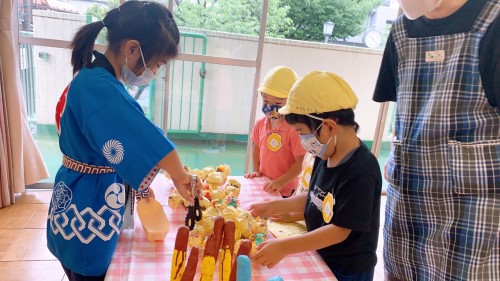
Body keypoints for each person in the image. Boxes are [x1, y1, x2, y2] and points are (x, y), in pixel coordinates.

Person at [47, 2, 200, 280]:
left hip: (83, 191)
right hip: (87, 202)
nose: (154, 71)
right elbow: (141, 134)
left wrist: (135, 185)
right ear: (132, 49)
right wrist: (180, 175)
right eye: (157, 64)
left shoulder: (95, 78)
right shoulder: (98, 85)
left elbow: (111, 145)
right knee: (87, 270)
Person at [373, 0, 500, 280]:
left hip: (473, 215)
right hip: (406, 208)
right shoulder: (400, 33)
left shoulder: (493, 24)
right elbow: (404, 116)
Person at [250, 71, 382, 281]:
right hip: (321, 252)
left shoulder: (361, 170)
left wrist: (285, 246)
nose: (303, 141)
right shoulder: (326, 151)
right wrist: (272, 206)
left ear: (329, 126)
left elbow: (340, 229)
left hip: (348, 268)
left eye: (302, 132)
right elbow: (315, 197)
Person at [244, 66, 306, 197]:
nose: (270, 107)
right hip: (264, 185)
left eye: (278, 103)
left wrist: (280, 182)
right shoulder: (260, 124)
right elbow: (256, 150)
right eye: (266, 101)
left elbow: (300, 163)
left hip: (285, 190)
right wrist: (256, 172)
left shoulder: (294, 130)